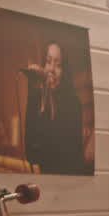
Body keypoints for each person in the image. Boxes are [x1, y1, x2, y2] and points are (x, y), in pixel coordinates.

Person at [22, 41, 84, 174]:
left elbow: (68, 157)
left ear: (65, 71)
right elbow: (31, 153)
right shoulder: (39, 99)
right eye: (48, 61)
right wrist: (35, 93)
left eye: (58, 64)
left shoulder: (74, 104)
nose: (51, 69)